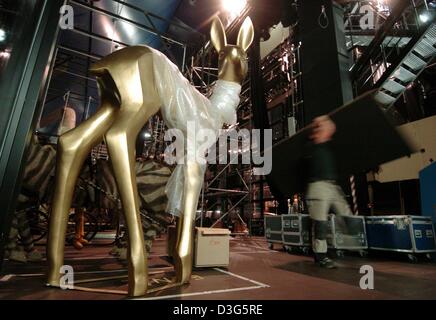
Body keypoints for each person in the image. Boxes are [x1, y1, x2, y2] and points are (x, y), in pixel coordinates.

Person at [305, 115, 353, 269]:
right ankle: (321, 257)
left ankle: (352, 244)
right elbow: (325, 125)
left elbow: (330, 127)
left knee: (347, 216)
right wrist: (319, 121)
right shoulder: (314, 145)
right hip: (318, 187)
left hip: (332, 186)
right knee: (320, 224)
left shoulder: (326, 146)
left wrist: (322, 122)